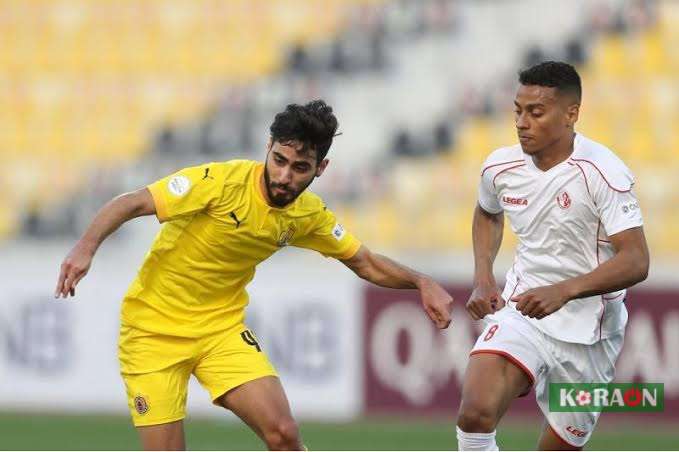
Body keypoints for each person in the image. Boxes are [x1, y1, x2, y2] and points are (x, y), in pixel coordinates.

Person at [55, 100, 454, 451]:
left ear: (321, 168)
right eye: (279, 160)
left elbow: (364, 262)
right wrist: (85, 247)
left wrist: (421, 281)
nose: (284, 176)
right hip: (151, 333)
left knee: (283, 434)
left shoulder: (307, 214)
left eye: (300, 168)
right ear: (268, 149)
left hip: (219, 331)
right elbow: (134, 201)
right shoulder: (219, 182)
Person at [457, 61, 649, 451]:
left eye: (536, 112)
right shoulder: (499, 166)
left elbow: (636, 260)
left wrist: (564, 291)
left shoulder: (603, 172)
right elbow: (487, 212)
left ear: (571, 113)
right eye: (518, 110)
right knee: (475, 413)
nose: (522, 122)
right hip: (524, 312)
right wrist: (483, 276)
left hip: (591, 336)